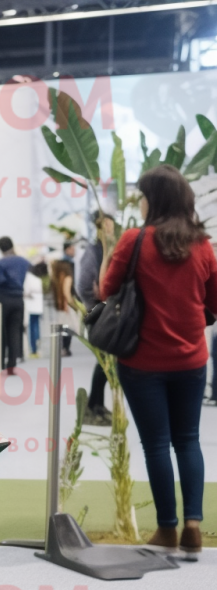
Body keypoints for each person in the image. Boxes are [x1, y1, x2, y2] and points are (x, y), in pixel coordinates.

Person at [100, 165, 217, 558]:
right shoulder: (203, 245)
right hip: (192, 360)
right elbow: (214, 304)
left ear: (155, 198)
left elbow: (106, 291)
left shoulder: (135, 240)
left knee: (156, 445)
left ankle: (167, 530)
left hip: (141, 363)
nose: (141, 201)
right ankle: (194, 528)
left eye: (143, 195)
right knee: (188, 440)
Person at [78, 214, 116, 425]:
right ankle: (94, 407)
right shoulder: (93, 252)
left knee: (106, 363)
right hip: (99, 312)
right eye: (106, 227)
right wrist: (99, 297)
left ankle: (97, 405)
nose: (109, 231)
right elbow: (84, 285)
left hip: (111, 311)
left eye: (111, 226)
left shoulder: (111, 250)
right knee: (103, 362)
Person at [0, 236, 31, 375]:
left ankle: (1, 363)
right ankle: (12, 365)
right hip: (19, 299)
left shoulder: (1, 263)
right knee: (15, 332)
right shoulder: (23, 262)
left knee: (2, 332)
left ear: (0, 248)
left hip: (4, 299)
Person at [50, 258, 75, 356]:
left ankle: (61, 348)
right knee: (68, 328)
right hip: (66, 307)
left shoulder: (56, 279)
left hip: (59, 307)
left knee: (62, 329)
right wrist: (72, 306)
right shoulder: (67, 277)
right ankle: (66, 348)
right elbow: (67, 294)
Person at [24, 264, 44, 358]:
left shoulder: (28, 278)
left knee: (32, 328)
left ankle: (33, 349)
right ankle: (37, 347)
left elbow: (25, 291)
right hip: (38, 307)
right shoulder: (38, 279)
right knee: (37, 327)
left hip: (31, 307)